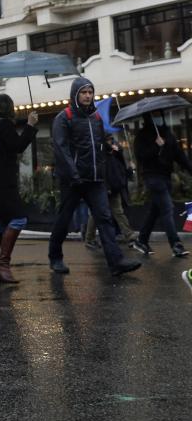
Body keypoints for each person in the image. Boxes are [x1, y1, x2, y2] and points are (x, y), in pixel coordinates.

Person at [47, 77, 141, 276]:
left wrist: (109, 156)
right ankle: (55, 257)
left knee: (105, 218)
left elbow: (99, 148)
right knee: (64, 220)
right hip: (73, 180)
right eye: (84, 92)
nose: (88, 96)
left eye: (90, 92)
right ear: (75, 94)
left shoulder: (96, 118)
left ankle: (116, 262)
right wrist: (73, 173)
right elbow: (61, 149)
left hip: (95, 180)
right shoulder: (64, 117)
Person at [0, 94, 38, 283]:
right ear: (9, 107)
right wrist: (30, 125)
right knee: (19, 219)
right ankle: (2, 265)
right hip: (3, 183)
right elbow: (18, 146)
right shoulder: (3, 125)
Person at [132, 111, 192, 257]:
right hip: (152, 177)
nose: (158, 118)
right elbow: (141, 156)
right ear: (148, 117)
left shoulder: (168, 134)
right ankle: (176, 244)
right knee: (167, 208)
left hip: (166, 177)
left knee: (155, 211)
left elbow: (179, 156)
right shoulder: (142, 136)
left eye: (160, 115)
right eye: (155, 115)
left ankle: (141, 240)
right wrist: (157, 147)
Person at [85, 133, 136, 249]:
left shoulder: (114, 154)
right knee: (96, 214)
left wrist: (129, 170)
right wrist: (106, 187)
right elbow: (103, 172)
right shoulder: (102, 155)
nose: (112, 143)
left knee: (118, 212)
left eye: (112, 140)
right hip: (105, 188)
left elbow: (119, 171)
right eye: (109, 140)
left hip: (114, 188)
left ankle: (129, 235)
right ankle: (89, 238)